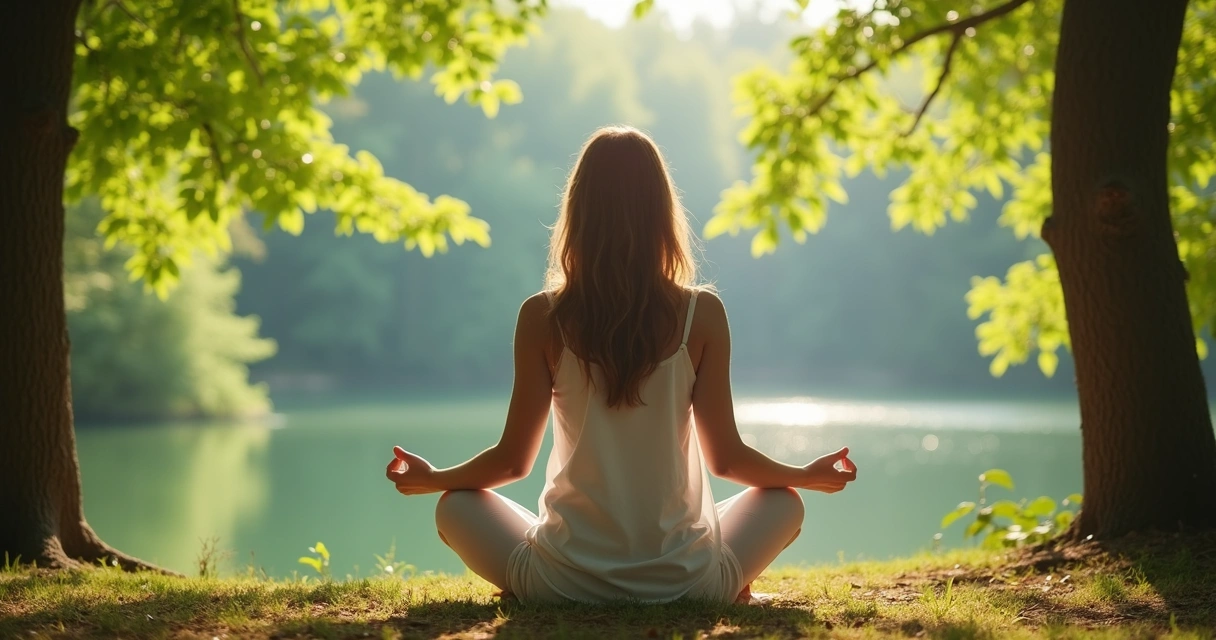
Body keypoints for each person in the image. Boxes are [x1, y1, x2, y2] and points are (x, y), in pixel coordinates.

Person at [385, 125, 858, 604]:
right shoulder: (702, 314)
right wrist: (805, 475)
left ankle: (529, 586)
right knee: (784, 502)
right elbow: (728, 459)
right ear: (661, 213)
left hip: (561, 584)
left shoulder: (542, 317)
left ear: (579, 212)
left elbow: (512, 461)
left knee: (454, 507)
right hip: (688, 585)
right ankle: (734, 589)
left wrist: (435, 479)